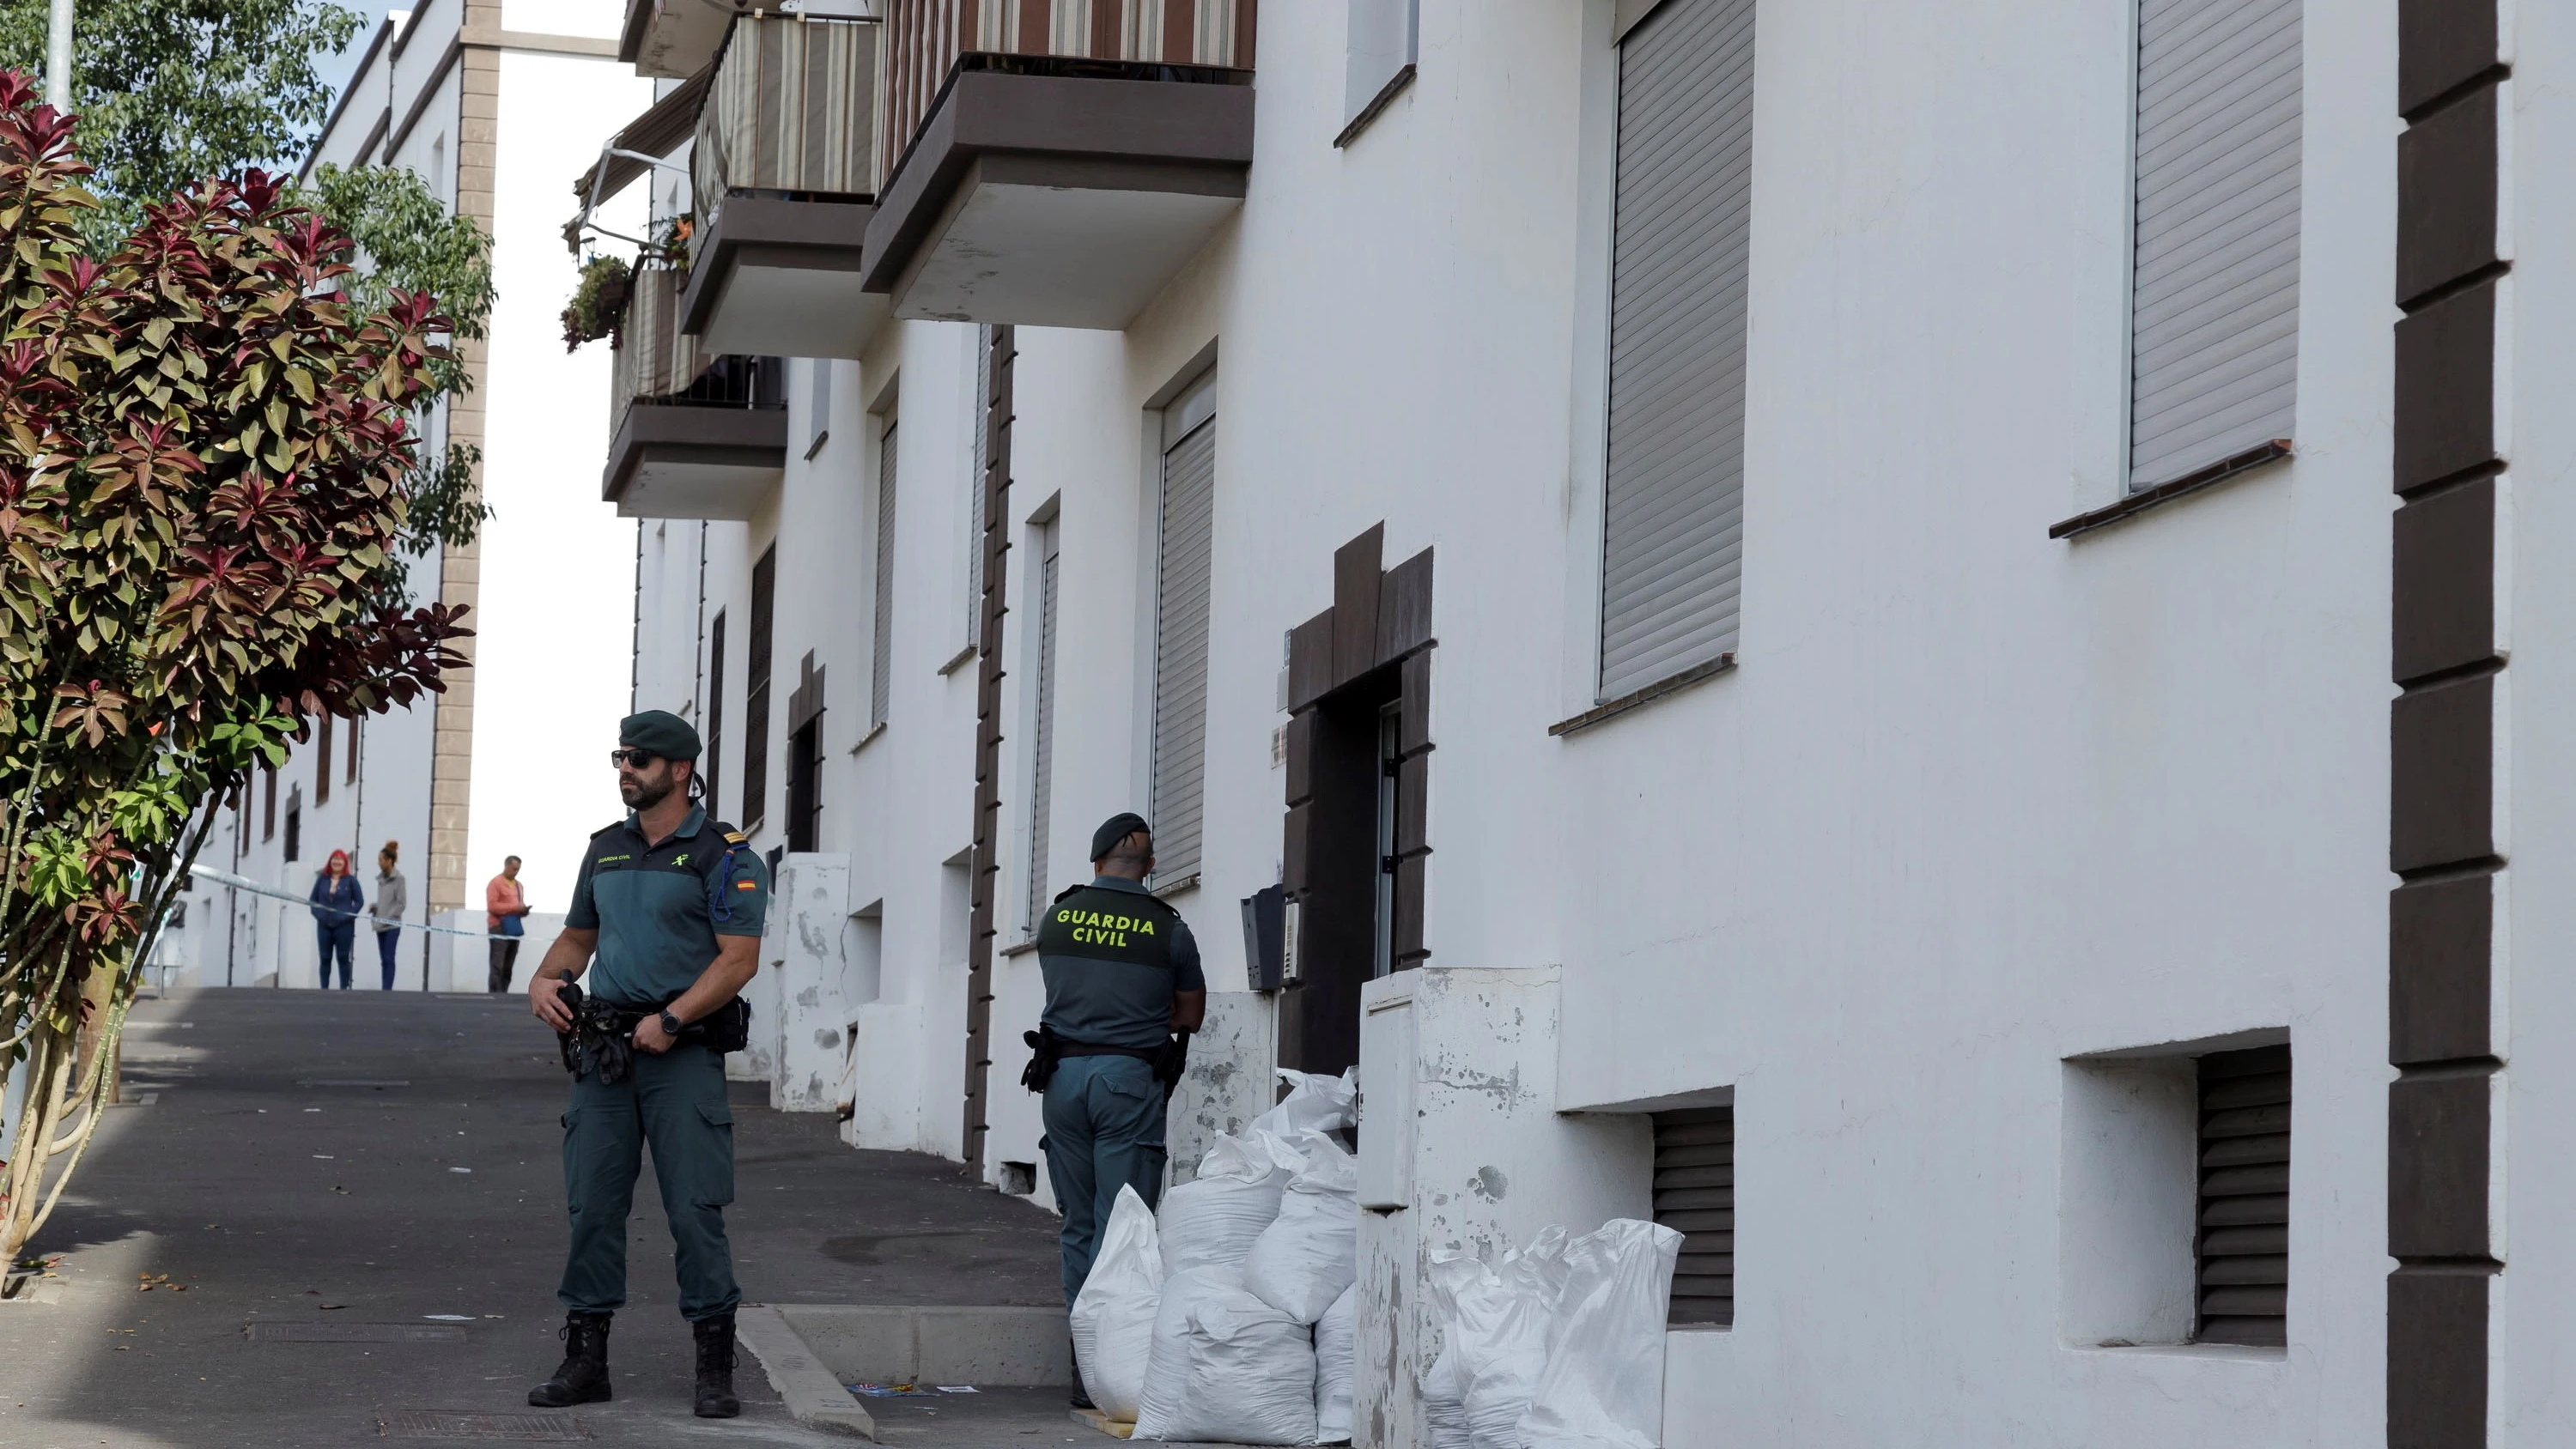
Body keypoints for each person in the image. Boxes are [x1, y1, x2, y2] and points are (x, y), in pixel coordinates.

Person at [525, 710, 769, 1419]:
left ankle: (714, 1368)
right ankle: (585, 1360)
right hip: (605, 1057)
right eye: (620, 758)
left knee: (695, 1210)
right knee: (592, 1207)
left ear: (681, 770)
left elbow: (739, 959)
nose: (625, 770)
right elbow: (578, 935)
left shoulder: (724, 855)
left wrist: (672, 1019)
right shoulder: (605, 849)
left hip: (681, 1055)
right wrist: (545, 978)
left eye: (638, 759)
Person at [1030, 812, 1206, 1408]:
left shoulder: (1058, 917)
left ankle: (1082, 1364)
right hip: (1127, 1083)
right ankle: (1111, 1364)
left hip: (1062, 1079)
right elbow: (1189, 1016)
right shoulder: (1170, 931)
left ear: (1096, 861)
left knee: (1079, 1224)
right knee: (1122, 1225)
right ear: (1151, 868)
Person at [307, 850, 363, 991]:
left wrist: (349, 915)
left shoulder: (351, 881)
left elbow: (359, 901)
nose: (337, 862)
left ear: (345, 863)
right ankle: (324, 989)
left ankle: (344, 988)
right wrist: (319, 915)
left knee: (343, 957)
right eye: (334, 859)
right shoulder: (322, 879)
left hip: (344, 926)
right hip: (324, 925)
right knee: (325, 957)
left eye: (340, 859)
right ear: (330, 861)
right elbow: (313, 900)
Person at [487, 856, 530, 992]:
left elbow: (517, 907)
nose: (516, 872)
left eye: (518, 869)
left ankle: (504, 993)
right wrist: (514, 908)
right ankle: (495, 994)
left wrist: (523, 911)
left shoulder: (519, 885)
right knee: (497, 964)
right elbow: (492, 906)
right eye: (514, 869)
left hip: (513, 927)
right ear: (506, 866)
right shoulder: (496, 883)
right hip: (498, 927)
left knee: (509, 964)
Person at [369, 841, 408, 991]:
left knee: (389, 958)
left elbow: (401, 903)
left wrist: (388, 916)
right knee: (383, 960)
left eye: (381, 860)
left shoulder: (399, 879)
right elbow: (384, 902)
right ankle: (384, 988)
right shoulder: (381, 880)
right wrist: (376, 908)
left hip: (392, 925)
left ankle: (387, 990)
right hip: (380, 925)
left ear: (389, 861)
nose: (379, 863)